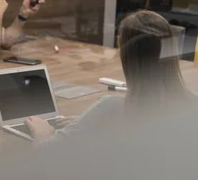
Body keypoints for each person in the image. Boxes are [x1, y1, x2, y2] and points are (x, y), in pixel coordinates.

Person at [26, 10, 196, 144]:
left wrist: (44, 132)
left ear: (126, 55)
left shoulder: (110, 108)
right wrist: (87, 121)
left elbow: (46, 154)